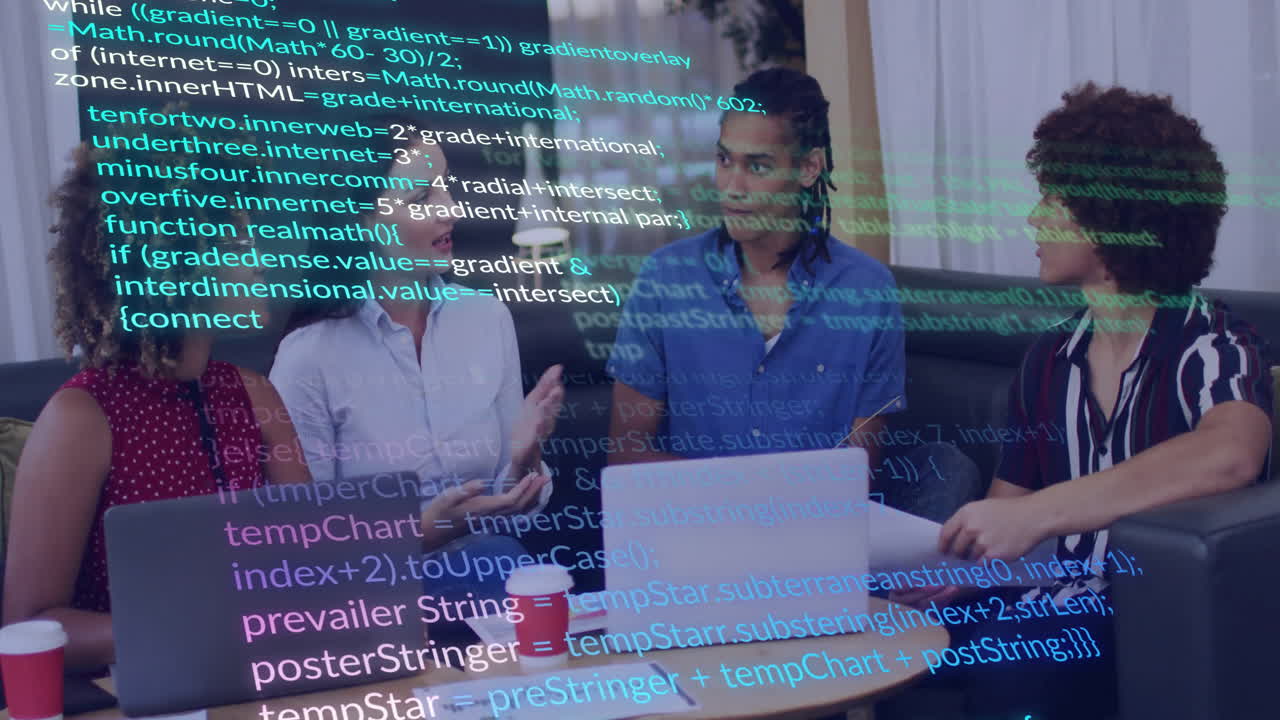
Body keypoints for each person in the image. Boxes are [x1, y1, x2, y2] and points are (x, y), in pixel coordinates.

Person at [887, 82, 1273, 720]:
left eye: (1052, 199)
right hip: (1045, 596)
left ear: (1111, 215)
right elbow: (1005, 512)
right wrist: (958, 568)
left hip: (1140, 610)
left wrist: (1039, 515)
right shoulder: (1049, 358)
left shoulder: (1213, 343)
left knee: (1014, 665)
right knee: (884, 639)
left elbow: (1231, 454)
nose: (1034, 219)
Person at [3, 116, 311, 673]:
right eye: (236, 243)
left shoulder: (254, 395)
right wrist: (191, 626)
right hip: (139, 690)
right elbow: (28, 626)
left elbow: (317, 556)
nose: (259, 260)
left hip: (259, 670)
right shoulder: (82, 417)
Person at [269, 115, 565, 609]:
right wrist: (424, 532)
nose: (450, 210)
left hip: (487, 572)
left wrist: (523, 459)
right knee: (500, 564)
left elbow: (512, 504)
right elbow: (309, 547)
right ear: (364, 222)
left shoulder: (486, 318)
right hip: (374, 598)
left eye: (445, 187)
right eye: (422, 198)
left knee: (500, 562)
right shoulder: (309, 357)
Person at [605, 67, 907, 475]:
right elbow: (627, 458)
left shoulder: (868, 292)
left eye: (757, 167)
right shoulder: (665, 279)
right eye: (724, 159)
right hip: (695, 515)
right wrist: (744, 497)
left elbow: (858, 474)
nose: (733, 186)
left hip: (815, 516)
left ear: (809, 168)